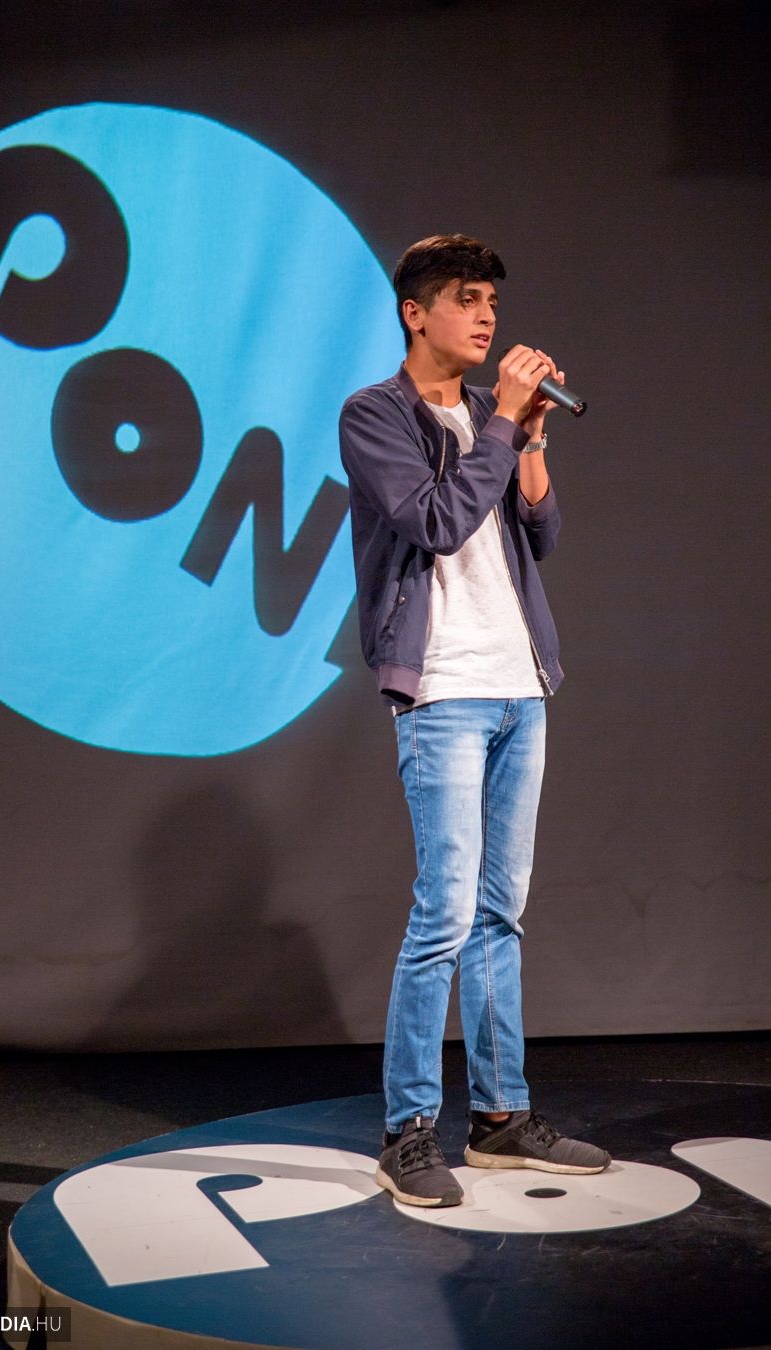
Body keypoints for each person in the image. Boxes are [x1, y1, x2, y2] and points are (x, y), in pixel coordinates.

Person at [338, 234, 610, 1207]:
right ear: (416, 313)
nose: (486, 316)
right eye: (464, 298)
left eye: (491, 299)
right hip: (444, 689)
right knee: (445, 912)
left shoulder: (494, 417)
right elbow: (438, 521)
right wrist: (499, 422)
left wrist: (528, 437)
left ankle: (500, 1118)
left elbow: (541, 531)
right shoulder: (375, 415)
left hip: (519, 686)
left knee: (502, 912)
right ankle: (408, 1129)